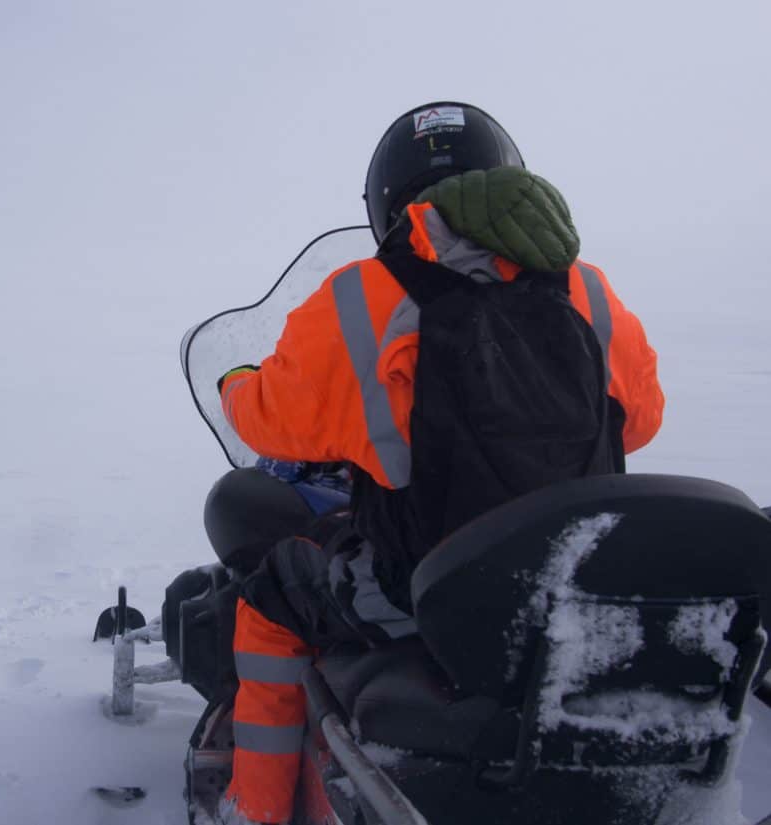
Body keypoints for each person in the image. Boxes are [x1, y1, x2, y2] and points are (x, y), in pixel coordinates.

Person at [214, 101, 665, 825]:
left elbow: (273, 421)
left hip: (422, 595)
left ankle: (253, 809)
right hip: (576, 585)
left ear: (389, 200)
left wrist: (236, 385)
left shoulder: (366, 296)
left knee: (271, 598)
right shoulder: (590, 289)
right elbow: (639, 422)